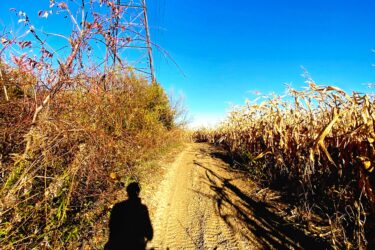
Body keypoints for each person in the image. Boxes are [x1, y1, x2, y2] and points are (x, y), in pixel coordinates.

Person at [105, 182, 153, 250]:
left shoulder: (117, 206)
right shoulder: (142, 208)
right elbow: (149, 231)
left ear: (127, 192)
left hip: (118, 243)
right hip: (136, 244)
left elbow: (111, 225)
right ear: (138, 192)